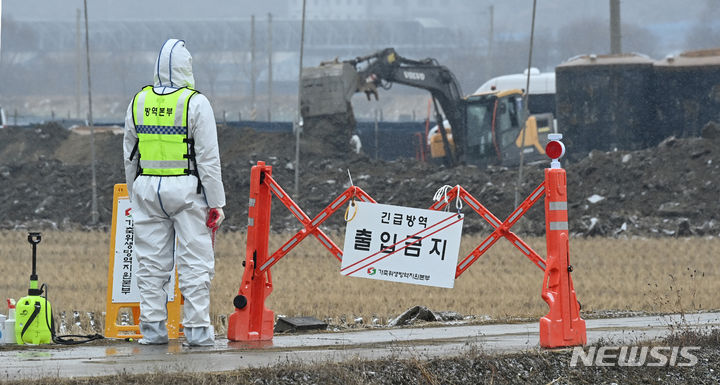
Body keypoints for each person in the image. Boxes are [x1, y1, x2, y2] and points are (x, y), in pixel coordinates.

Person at [123, 38, 226, 346]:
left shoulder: (138, 101)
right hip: (187, 189)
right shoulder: (196, 103)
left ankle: (152, 331)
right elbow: (208, 158)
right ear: (186, 68)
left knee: (151, 263)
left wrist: (134, 192)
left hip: (146, 189)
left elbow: (130, 153)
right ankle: (196, 332)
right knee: (195, 263)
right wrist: (216, 202)